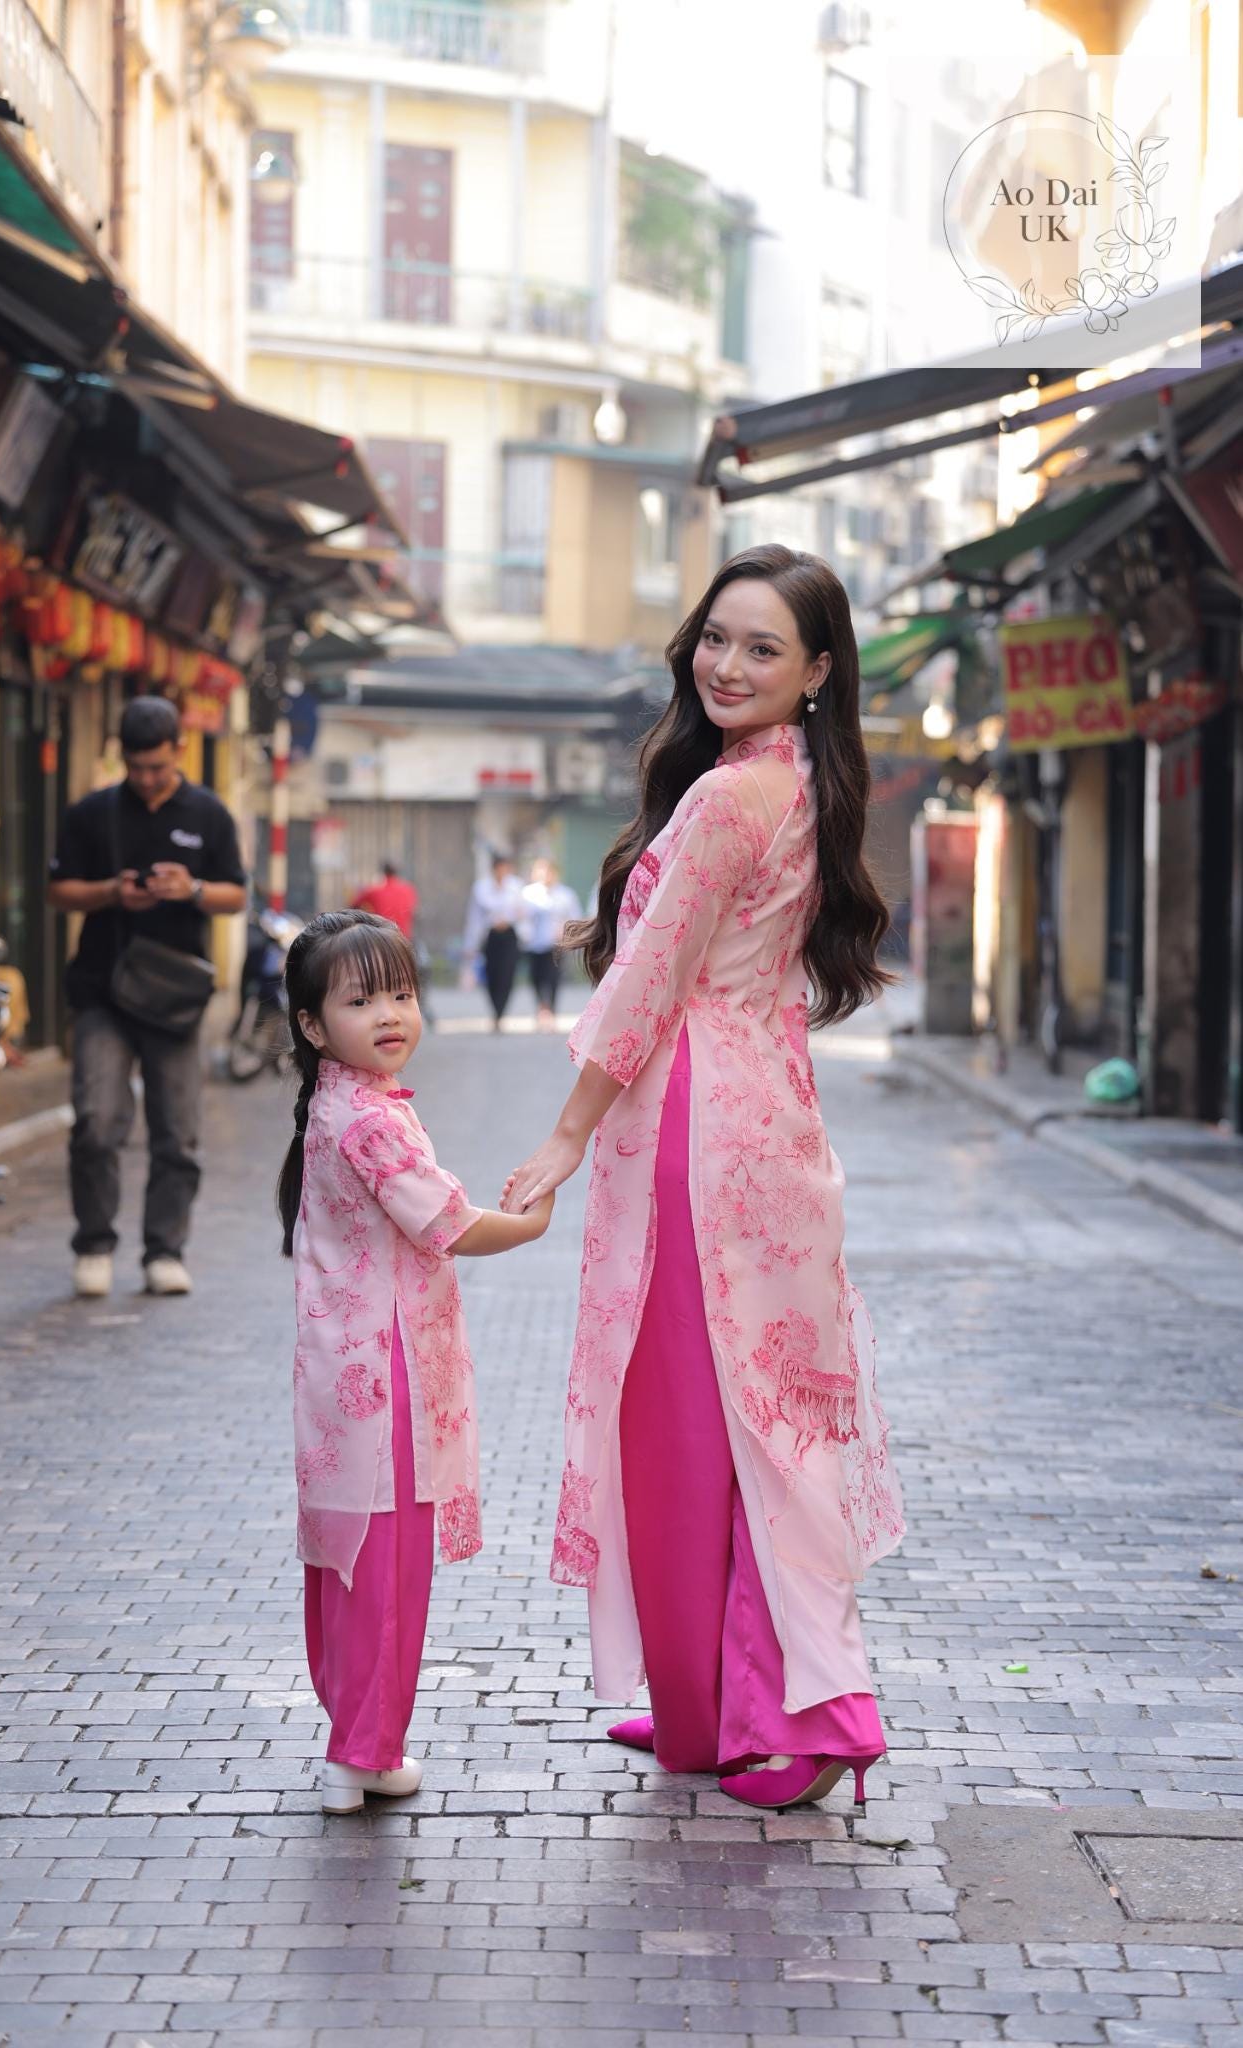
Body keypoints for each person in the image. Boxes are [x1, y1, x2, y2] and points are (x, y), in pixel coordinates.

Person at [500, 545, 906, 1814]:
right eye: (716, 638)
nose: (727, 664)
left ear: (817, 669)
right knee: (758, 1413)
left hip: (697, 1129)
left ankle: (791, 1714)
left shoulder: (733, 798)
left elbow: (647, 979)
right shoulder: (797, 783)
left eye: (762, 648)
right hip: (767, 1120)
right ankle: (711, 1704)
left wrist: (566, 1135)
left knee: (695, 1422)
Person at [278, 909, 552, 1814]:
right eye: (361, 1001)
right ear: (315, 1026)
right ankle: (360, 1751)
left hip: (341, 1368)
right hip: (384, 1366)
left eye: (400, 993)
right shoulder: (368, 1120)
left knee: (349, 1556)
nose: (390, 1014)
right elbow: (448, 1225)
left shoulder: (340, 1104)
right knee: (386, 1563)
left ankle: (356, 1742)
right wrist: (532, 1223)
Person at [48, 695, 247, 1300]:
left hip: (176, 998)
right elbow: (58, 891)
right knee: (95, 1122)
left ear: (179, 751)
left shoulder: (208, 813)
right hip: (103, 991)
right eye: (136, 767)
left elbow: (236, 895)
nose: (146, 778)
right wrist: (112, 892)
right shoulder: (93, 813)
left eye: (157, 767)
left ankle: (165, 1251)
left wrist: (192, 889)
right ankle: (94, 1244)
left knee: (177, 1133)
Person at [518, 858, 582, 1030]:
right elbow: (520, 918)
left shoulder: (566, 894)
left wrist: (565, 930)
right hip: (533, 944)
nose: (545, 875)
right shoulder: (527, 894)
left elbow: (575, 917)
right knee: (536, 978)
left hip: (556, 944)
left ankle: (550, 1011)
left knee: (553, 978)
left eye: (548, 872)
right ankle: (541, 1007)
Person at [462, 853, 522, 1031]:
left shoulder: (516, 886)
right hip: (491, 936)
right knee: (492, 973)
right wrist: (470, 944)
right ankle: (495, 1010)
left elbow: (523, 913)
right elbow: (474, 918)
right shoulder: (481, 888)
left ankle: (500, 1012)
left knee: (507, 974)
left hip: (510, 935)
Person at [352, 859, 418, 938]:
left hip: (382, 936)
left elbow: (354, 904)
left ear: (383, 872)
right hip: (403, 937)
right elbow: (413, 912)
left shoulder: (375, 890)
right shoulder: (409, 889)